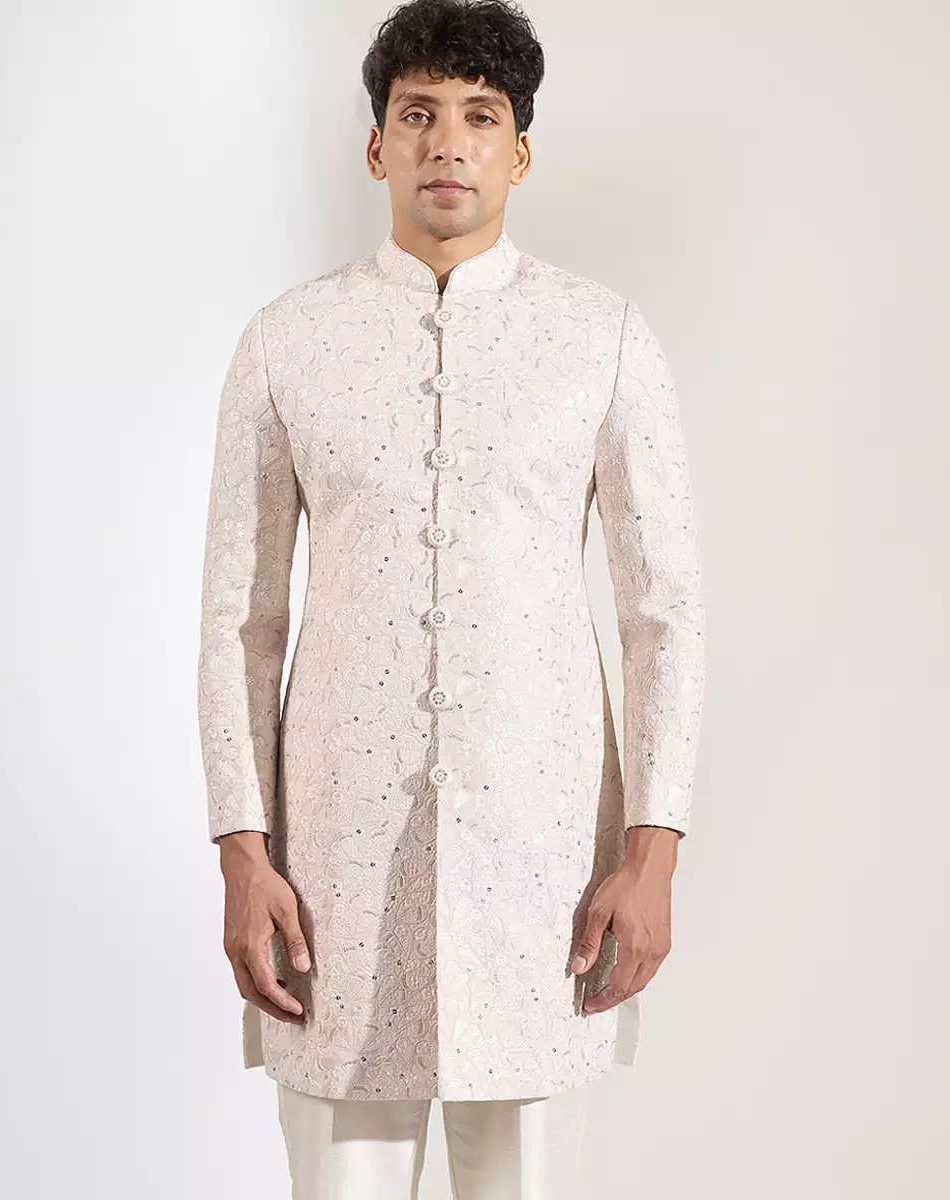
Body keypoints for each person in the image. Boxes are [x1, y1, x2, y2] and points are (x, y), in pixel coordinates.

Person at [196, 1, 705, 1195]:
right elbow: (238, 620)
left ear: (518, 153)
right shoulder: (286, 343)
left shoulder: (602, 340)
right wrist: (242, 855)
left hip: (543, 873)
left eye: (480, 117)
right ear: (376, 144)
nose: (447, 142)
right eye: (418, 113)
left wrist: (653, 854)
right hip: (331, 874)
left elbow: (664, 613)